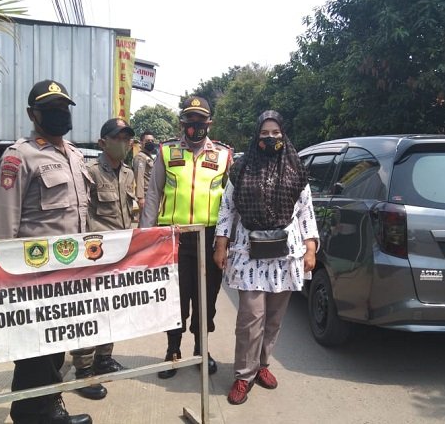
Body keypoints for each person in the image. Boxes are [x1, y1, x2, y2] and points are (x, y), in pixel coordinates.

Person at [0, 79, 92, 424]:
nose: (59, 115)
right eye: (51, 110)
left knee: (54, 349)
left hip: (69, 275)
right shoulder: (19, 157)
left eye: (64, 108)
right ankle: (31, 415)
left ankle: (49, 407)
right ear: (33, 114)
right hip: (33, 277)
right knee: (33, 353)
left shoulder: (75, 156)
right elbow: (4, 224)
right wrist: (3, 281)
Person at [213, 110, 319, 406]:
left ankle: (262, 365)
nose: (270, 138)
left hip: (286, 254)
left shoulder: (296, 168)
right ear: (256, 136)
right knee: (250, 316)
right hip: (250, 251)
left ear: (283, 135)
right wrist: (220, 245)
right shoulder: (242, 169)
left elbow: (306, 212)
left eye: (275, 133)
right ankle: (243, 375)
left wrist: (310, 248)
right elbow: (227, 209)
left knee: (274, 318)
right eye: (264, 134)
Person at [139, 96, 232, 379]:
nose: (195, 127)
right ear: (182, 124)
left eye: (200, 121)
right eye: (190, 121)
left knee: (207, 300)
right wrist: (146, 237)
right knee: (176, 300)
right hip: (174, 238)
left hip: (210, 238)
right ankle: (173, 350)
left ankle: (201, 350)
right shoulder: (166, 152)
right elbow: (153, 194)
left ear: (209, 123)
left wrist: (227, 241)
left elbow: (231, 201)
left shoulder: (224, 155)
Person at [70, 118, 135, 400]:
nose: (125, 142)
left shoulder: (129, 174)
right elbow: (82, 216)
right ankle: (83, 370)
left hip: (121, 255)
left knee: (113, 309)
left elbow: (131, 213)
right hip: (95, 255)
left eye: (128, 137)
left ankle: (104, 357)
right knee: (90, 311)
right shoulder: (90, 172)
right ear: (102, 142)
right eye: (119, 137)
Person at [132, 130, 157, 216]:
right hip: (145, 196)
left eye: (152, 141)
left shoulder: (149, 157)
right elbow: (139, 177)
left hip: (152, 196)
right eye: (147, 141)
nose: (150, 143)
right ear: (141, 143)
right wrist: (141, 198)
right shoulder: (140, 158)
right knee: (145, 221)